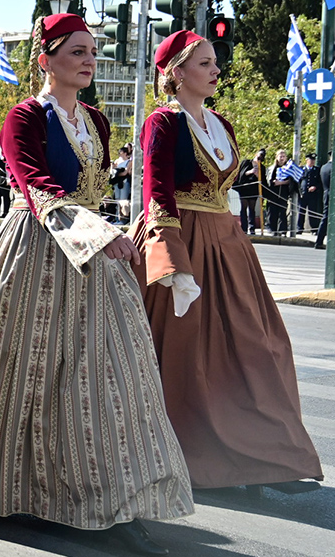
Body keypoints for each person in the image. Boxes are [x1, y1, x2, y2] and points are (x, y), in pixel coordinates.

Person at [0, 13, 192, 557]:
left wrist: (109, 230)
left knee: (110, 375)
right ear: (46, 60)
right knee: (6, 364)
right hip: (35, 247)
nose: (90, 60)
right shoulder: (24, 117)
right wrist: (95, 232)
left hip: (93, 255)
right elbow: (35, 185)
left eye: (92, 51)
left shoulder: (97, 121)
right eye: (76, 52)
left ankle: (115, 500)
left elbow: (97, 189)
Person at [131, 31, 323, 494]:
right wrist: (170, 256)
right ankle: (201, 457)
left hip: (227, 244)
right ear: (177, 73)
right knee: (190, 355)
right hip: (182, 239)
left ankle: (266, 457)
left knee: (259, 346)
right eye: (204, 63)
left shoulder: (222, 123)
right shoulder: (163, 123)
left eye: (215, 62)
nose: (216, 70)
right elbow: (156, 190)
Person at [267, 150, 298, 236]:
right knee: (272, 212)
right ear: (277, 157)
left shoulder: (288, 169)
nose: (282, 158)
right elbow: (268, 180)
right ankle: (272, 229)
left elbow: (291, 181)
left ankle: (282, 230)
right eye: (280, 156)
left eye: (284, 156)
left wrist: (281, 183)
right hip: (273, 193)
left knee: (282, 212)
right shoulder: (271, 168)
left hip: (283, 193)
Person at [235, 148, 262, 234]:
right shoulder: (246, 162)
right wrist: (250, 172)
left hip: (253, 190)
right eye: (258, 156)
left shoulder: (261, 167)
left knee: (252, 209)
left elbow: (262, 180)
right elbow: (241, 175)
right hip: (244, 189)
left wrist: (258, 175)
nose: (259, 159)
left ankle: (252, 227)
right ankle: (244, 228)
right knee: (243, 208)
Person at [298, 153, 323, 234]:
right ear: (307, 160)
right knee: (301, 211)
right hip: (303, 194)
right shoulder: (301, 169)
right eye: (311, 160)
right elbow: (298, 181)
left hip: (312, 195)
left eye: (313, 160)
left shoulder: (317, 170)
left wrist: (315, 187)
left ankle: (314, 229)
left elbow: (320, 182)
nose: (312, 162)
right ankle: (299, 228)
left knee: (312, 212)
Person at [316, 157, 331, 250]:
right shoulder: (332, 168)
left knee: (325, 217)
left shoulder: (324, 167)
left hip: (326, 194)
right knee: (326, 218)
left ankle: (319, 241)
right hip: (332, 195)